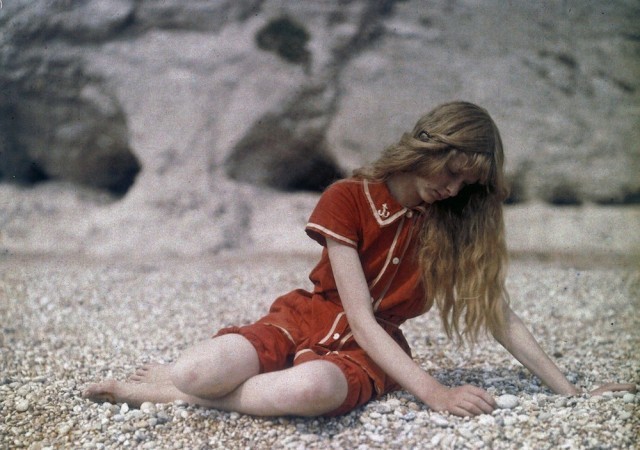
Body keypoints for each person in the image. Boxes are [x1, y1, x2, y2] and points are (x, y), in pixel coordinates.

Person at [83, 101, 634, 417]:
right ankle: (180, 384)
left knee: (309, 391)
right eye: (451, 171)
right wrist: (433, 391)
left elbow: (498, 315)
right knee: (196, 368)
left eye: (470, 181)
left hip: (371, 352)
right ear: (427, 150)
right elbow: (358, 314)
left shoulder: (455, 222)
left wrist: (571, 393)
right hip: (302, 318)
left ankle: (176, 396)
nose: (454, 189)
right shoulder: (348, 197)